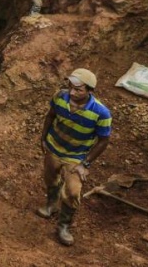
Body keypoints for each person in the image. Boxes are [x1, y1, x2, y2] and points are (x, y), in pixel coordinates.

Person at [37, 68, 111, 246]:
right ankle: (51, 204)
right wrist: (43, 138)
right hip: (54, 147)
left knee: (72, 191)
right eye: (71, 87)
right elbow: (50, 116)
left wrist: (85, 163)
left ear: (90, 91)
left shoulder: (101, 113)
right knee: (50, 178)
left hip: (76, 157)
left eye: (78, 90)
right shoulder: (60, 97)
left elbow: (103, 141)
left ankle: (63, 226)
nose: (72, 92)